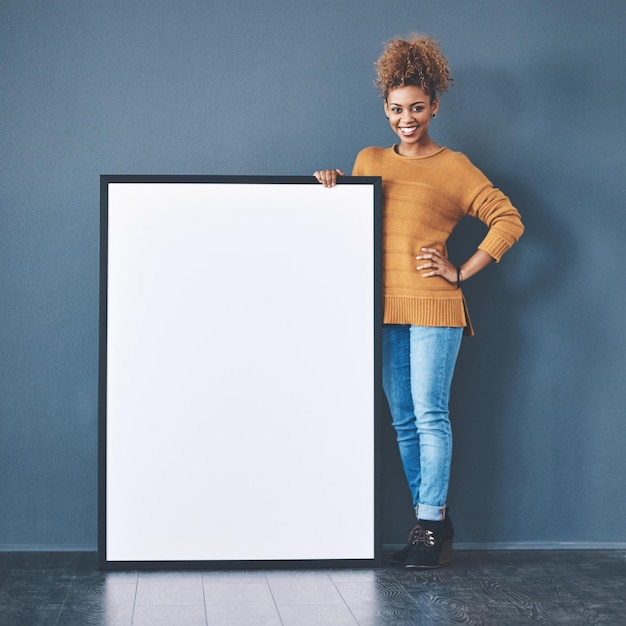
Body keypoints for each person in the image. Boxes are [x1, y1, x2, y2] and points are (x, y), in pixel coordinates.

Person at [314, 34, 524, 568]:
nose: (406, 119)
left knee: (430, 416)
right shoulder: (368, 159)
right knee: (403, 420)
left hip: (434, 305)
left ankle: (428, 527)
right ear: (385, 109)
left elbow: (508, 218)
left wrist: (461, 271)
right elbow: (352, 225)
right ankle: (434, 520)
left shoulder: (454, 167)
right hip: (382, 308)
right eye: (395, 109)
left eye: (416, 108)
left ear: (434, 106)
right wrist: (334, 184)